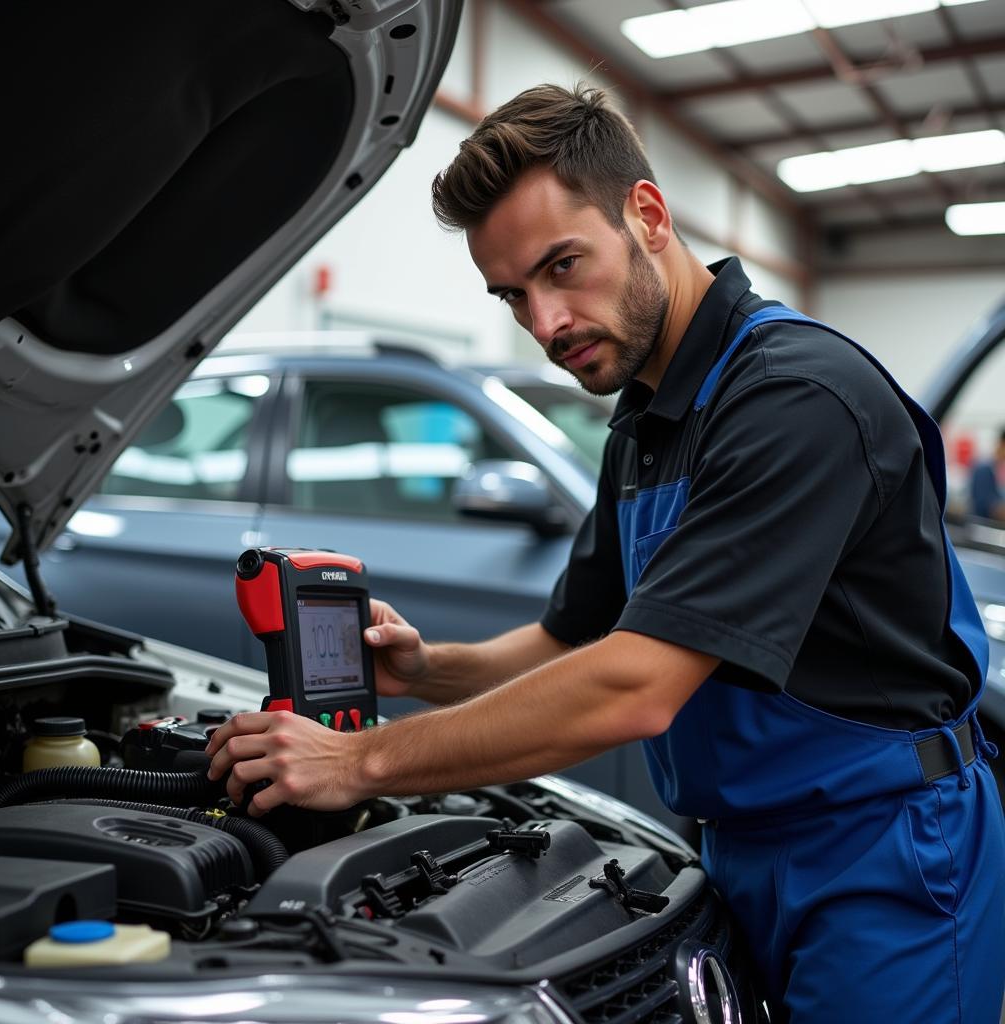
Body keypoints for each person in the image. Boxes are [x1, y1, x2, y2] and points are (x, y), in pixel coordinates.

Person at [206, 84, 1005, 1021]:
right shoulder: (645, 426)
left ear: (649, 215)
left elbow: (635, 683)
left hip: (886, 852)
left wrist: (360, 763)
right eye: (514, 297)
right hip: (740, 849)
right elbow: (570, 637)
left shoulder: (796, 397)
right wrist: (427, 671)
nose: (545, 323)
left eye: (562, 267)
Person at [970, 428, 1005, 520]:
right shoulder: (983, 470)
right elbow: (985, 506)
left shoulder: (998, 468)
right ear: (1002, 444)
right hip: (983, 527)